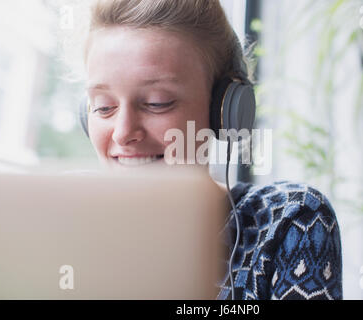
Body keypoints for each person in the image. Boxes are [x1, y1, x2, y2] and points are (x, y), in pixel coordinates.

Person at [80, 0, 343, 300]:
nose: (123, 132)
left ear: (225, 112)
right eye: (103, 107)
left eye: (156, 102)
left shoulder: (291, 221)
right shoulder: (66, 228)